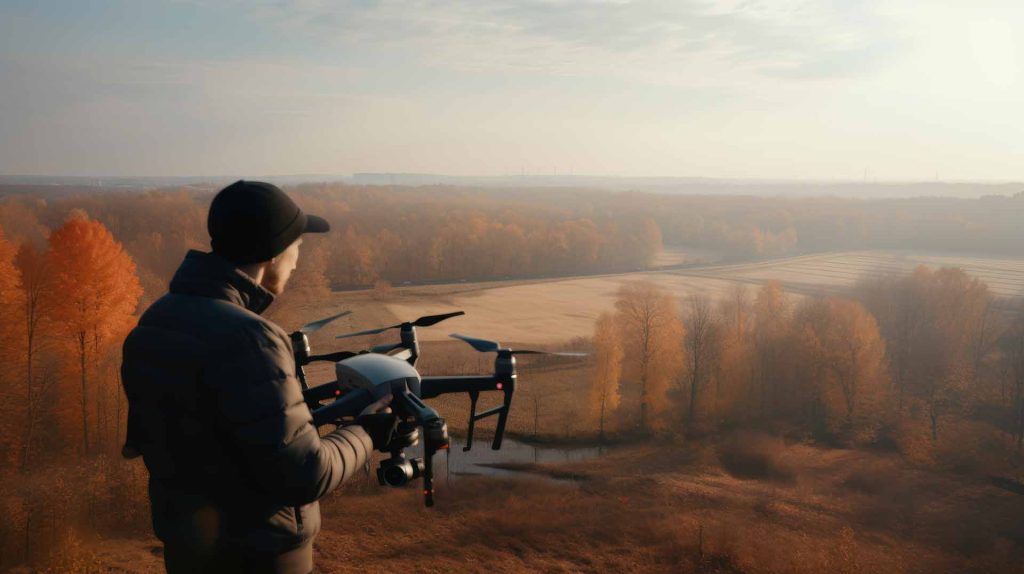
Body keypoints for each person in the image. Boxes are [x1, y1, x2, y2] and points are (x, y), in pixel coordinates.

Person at [120, 180, 394, 574]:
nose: (298, 261)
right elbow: (304, 475)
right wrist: (369, 430)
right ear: (275, 251)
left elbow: (203, 436)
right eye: (298, 246)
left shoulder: (159, 318)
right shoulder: (251, 338)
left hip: (187, 549)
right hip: (261, 558)